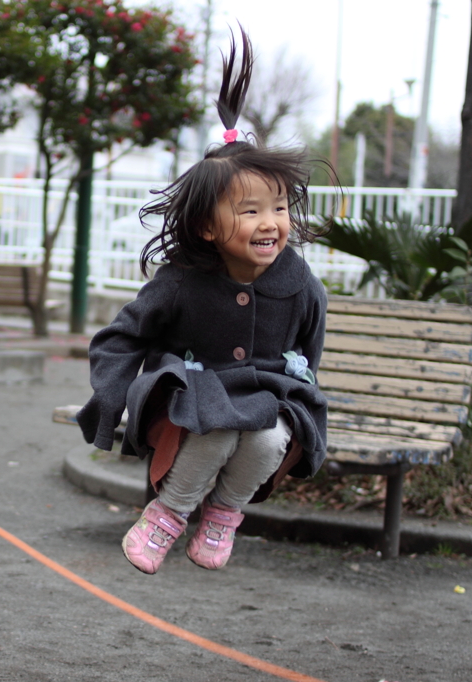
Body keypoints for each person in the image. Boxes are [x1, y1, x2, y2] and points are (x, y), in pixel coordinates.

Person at [76, 28, 333, 575]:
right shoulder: (181, 282)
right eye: (250, 211)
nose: (271, 223)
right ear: (207, 227)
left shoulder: (300, 282)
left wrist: (302, 390)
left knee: (267, 437)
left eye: (280, 208)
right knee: (213, 425)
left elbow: (309, 349)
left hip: (264, 397)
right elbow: (121, 337)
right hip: (185, 400)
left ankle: (223, 514)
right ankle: (166, 514)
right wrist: (111, 399)